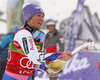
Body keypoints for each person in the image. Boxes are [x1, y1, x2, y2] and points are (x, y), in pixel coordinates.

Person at [2, 3, 73, 80]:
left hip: (28, 77)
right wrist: (61, 55)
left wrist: (45, 68)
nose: (41, 19)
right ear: (28, 18)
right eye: (38, 15)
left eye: (43, 16)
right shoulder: (23, 33)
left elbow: (34, 63)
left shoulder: (37, 36)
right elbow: (35, 57)